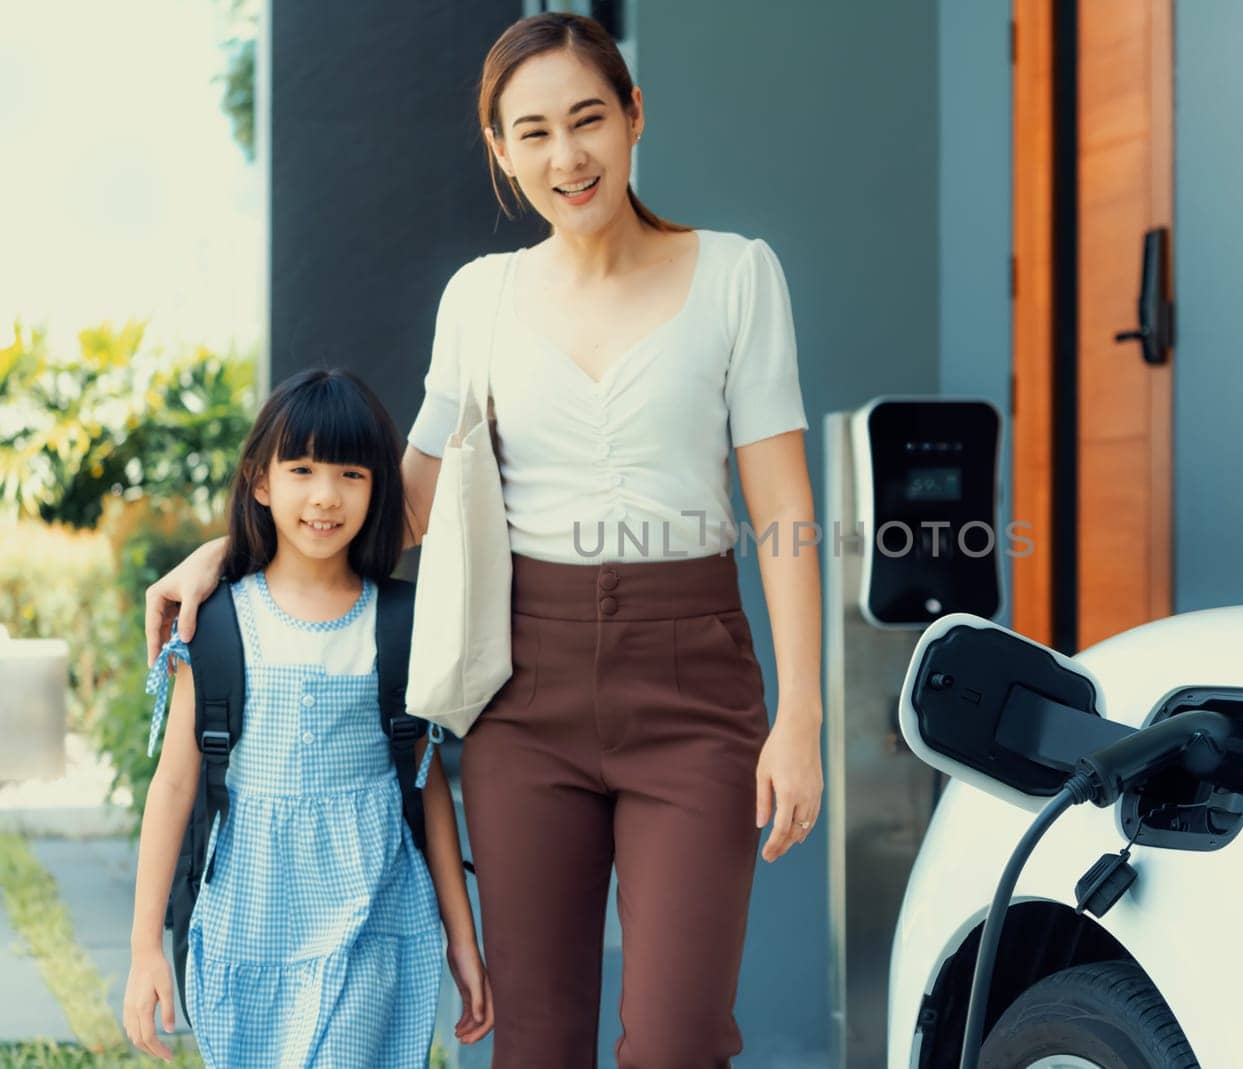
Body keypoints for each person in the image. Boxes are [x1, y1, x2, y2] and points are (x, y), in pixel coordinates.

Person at [145, 12, 822, 1068]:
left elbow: (783, 513)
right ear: (502, 151)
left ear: (635, 115)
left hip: (694, 687)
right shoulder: (481, 299)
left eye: (589, 120)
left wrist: (802, 716)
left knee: (681, 1037)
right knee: (537, 1037)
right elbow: (401, 503)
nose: (568, 156)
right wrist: (222, 554)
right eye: (534, 132)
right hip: (523, 694)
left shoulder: (737, 277)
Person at [125, 369, 493, 1066]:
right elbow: (173, 786)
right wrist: (146, 945)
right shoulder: (221, 622)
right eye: (301, 469)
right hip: (250, 926)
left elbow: (426, 782)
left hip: (374, 916)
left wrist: (461, 936)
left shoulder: (397, 622)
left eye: (350, 473)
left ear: (378, 485)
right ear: (260, 482)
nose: (325, 495)